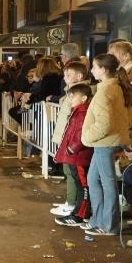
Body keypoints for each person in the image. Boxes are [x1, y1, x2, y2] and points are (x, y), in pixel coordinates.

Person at [81, 54, 132, 237]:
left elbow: (104, 124)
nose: (92, 70)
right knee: (94, 179)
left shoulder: (106, 91)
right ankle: (98, 220)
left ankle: (108, 225)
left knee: (106, 182)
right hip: (111, 141)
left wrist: (87, 136)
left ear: (103, 70)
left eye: (95, 67)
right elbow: (130, 118)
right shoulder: (117, 88)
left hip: (104, 143)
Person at [49, 61, 92, 217]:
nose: (65, 77)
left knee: (75, 176)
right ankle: (71, 203)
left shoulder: (81, 95)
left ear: (79, 76)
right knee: (70, 173)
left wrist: (72, 147)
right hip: (68, 140)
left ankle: (73, 205)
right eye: (65, 74)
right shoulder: (71, 92)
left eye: (68, 74)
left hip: (74, 146)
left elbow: (78, 127)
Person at [54, 84, 94, 227]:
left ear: (83, 98)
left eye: (73, 96)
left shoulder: (83, 113)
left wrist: (72, 148)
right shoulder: (77, 111)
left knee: (83, 186)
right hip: (76, 155)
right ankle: (80, 213)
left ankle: (80, 215)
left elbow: (81, 133)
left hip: (79, 155)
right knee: (80, 184)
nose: (70, 99)